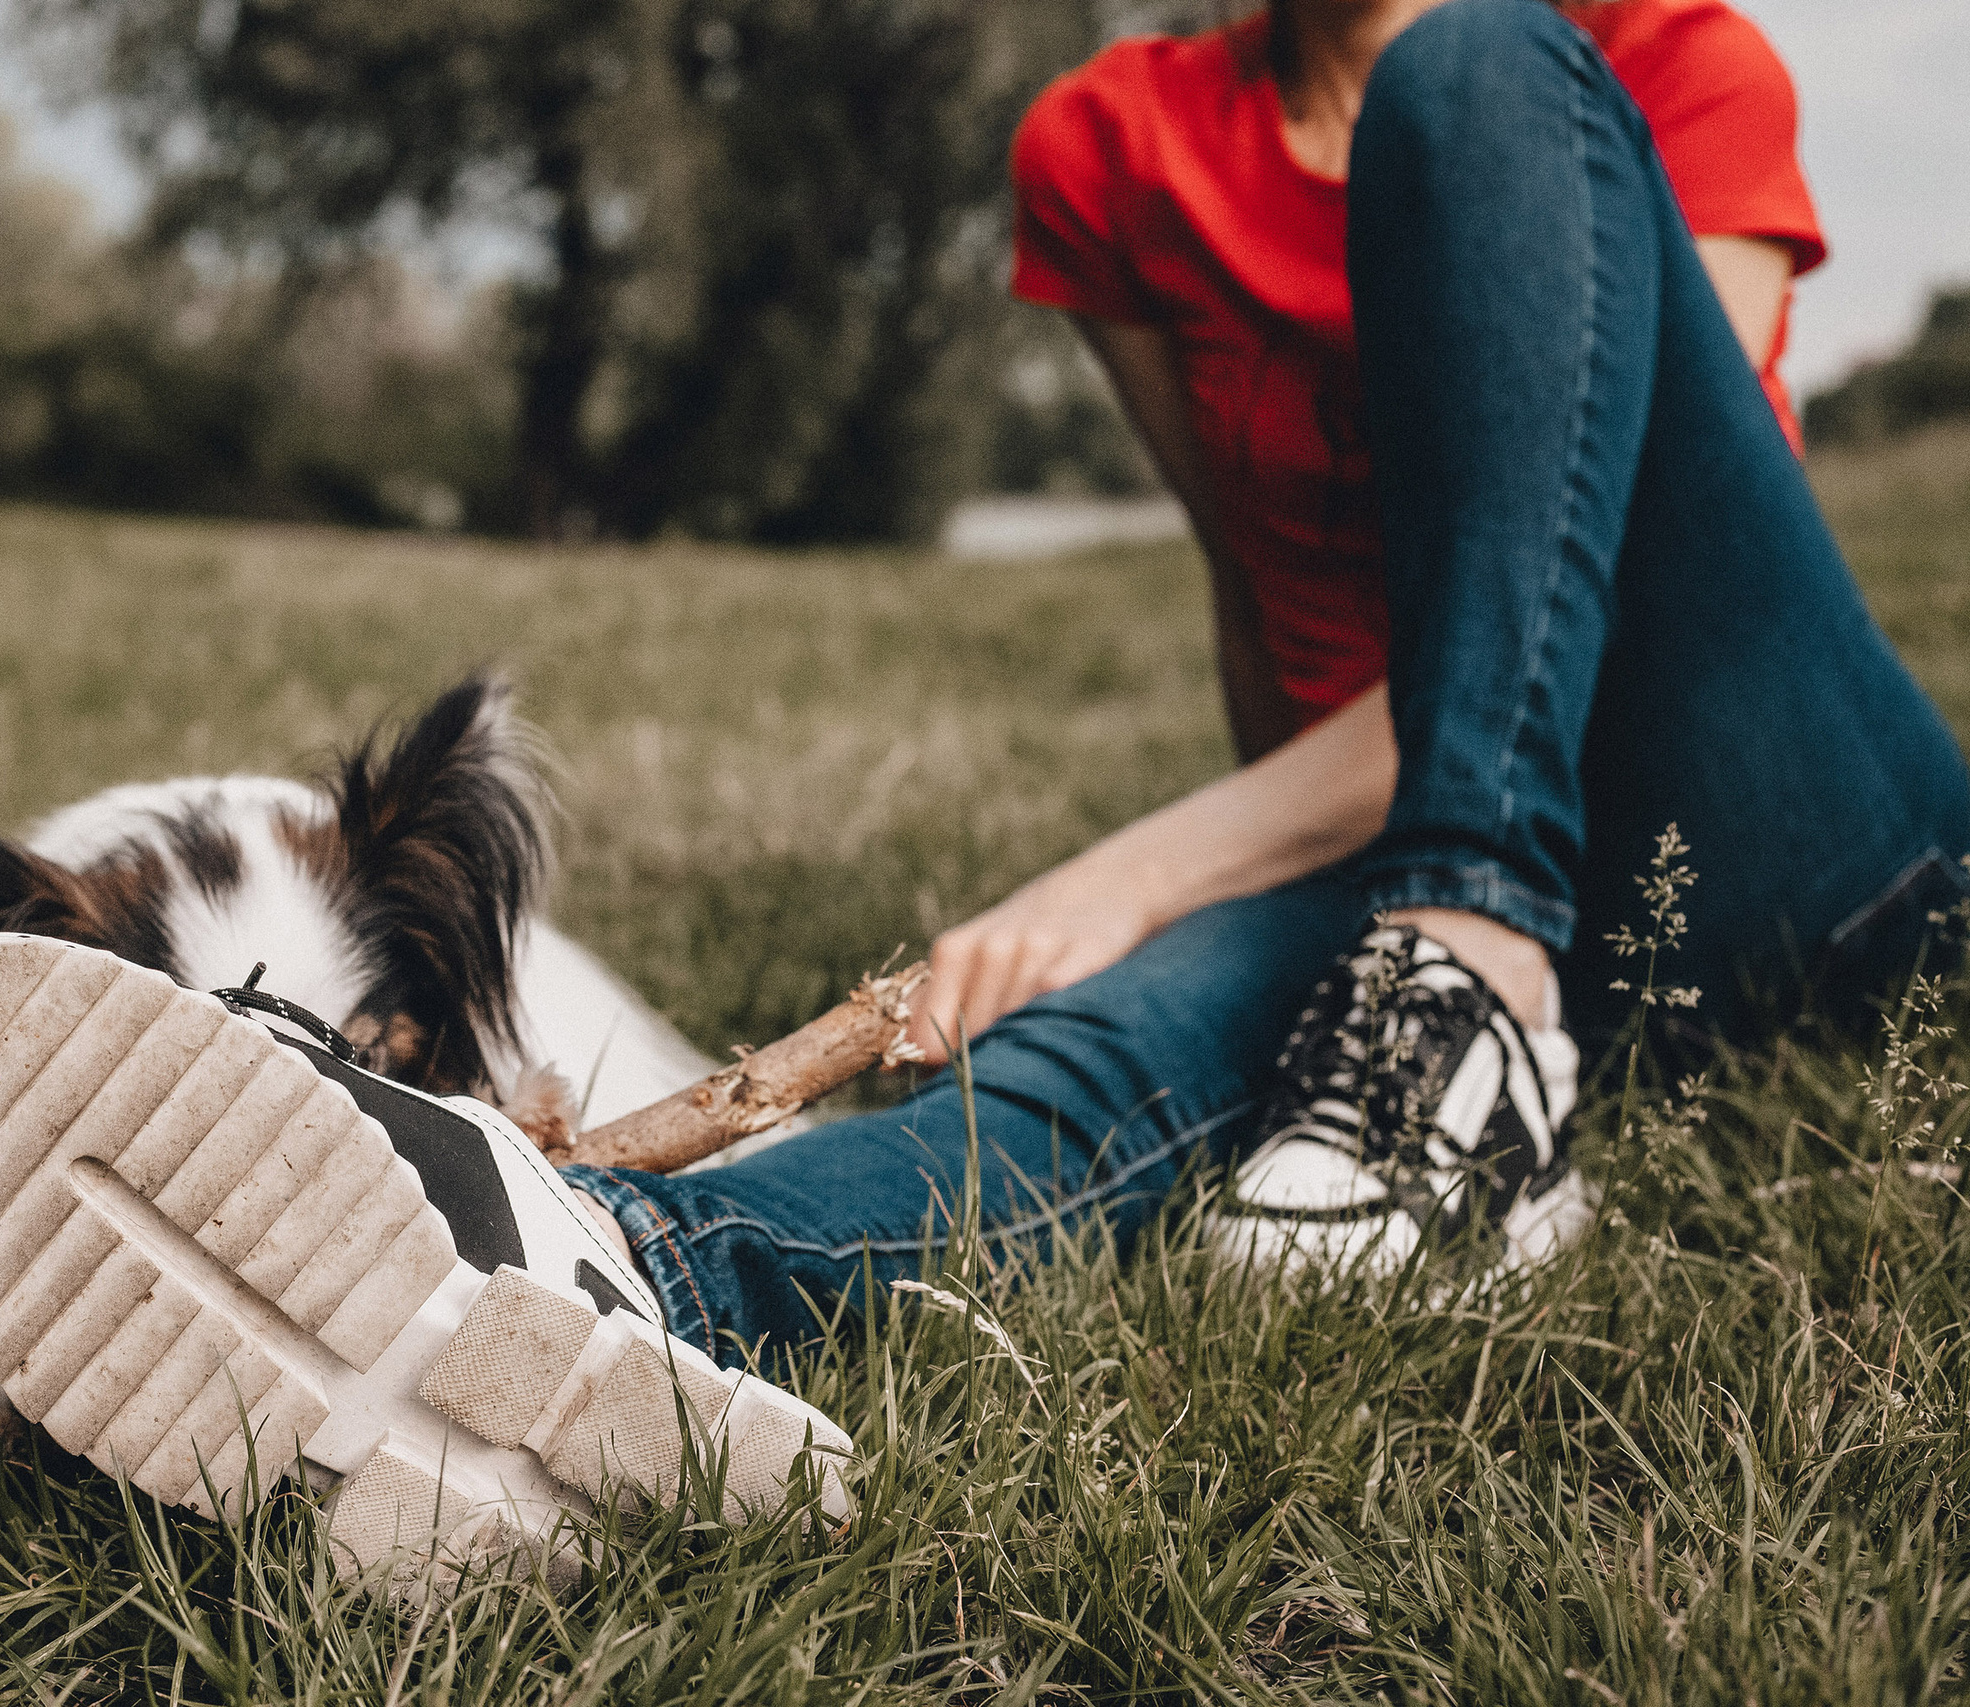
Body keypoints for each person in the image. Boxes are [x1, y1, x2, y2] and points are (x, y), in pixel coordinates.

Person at [553, 0, 1970, 1363]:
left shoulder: (1667, 59)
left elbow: (1614, 605)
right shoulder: (1122, 149)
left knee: (1472, 70)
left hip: (1770, 815)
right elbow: (1257, 587)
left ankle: (1470, 962)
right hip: (1416, 834)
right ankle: (621, 1265)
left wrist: (1142, 874)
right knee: (1109, 1035)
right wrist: (1240, 932)